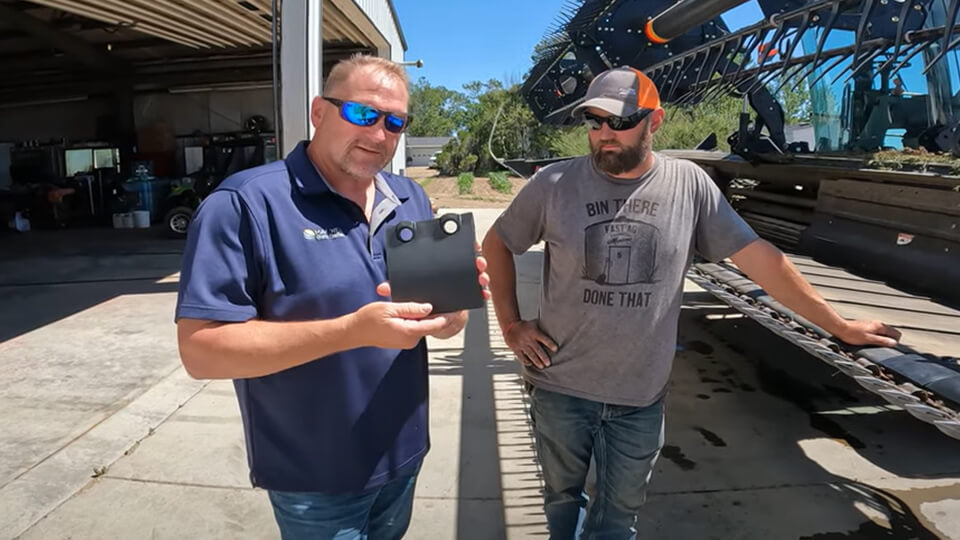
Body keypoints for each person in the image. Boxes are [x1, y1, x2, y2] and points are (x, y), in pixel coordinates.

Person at [481, 66, 901, 539]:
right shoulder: (554, 184)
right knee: (562, 503)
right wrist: (512, 325)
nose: (604, 135)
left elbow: (761, 260)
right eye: (594, 122)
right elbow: (497, 243)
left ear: (654, 121)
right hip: (560, 389)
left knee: (618, 517)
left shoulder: (689, 185)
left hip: (638, 399)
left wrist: (838, 325)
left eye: (620, 122)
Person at [175, 54, 488, 539]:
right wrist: (352, 331)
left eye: (395, 121)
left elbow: (445, 319)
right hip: (316, 476)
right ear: (319, 112)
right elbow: (201, 352)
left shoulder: (411, 198)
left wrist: (451, 313)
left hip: (403, 453)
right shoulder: (245, 204)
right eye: (363, 114)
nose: (379, 133)